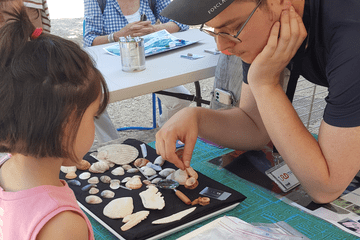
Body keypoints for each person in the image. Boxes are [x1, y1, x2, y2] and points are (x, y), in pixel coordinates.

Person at [155, 0, 360, 204]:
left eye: (234, 27)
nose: (223, 47)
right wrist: (195, 117)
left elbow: (326, 187)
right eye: (214, 31)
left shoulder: (351, 37)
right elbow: (255, 125)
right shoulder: (265, 26)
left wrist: (265, 84)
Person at [0, 1, 109, 239]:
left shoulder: (6, 169)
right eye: (93, 116)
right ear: (66, 125)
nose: (94, 124)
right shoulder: (62, 224)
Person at [84, 0, 192, 132]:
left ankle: (162, 132)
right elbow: (90, 40)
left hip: (150, 64)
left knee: (182, 99)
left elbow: (181, 21)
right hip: (112, 67)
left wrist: (154, 29)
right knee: (90, 100)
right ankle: (114, 146)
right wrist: (117, 36)